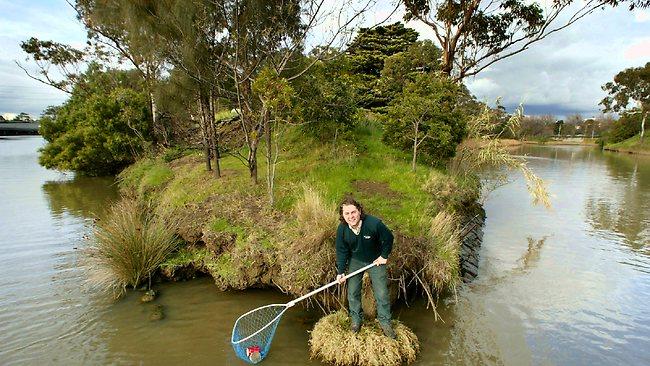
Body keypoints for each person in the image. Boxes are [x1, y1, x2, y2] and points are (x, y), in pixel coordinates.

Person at [335, 197, 395, 339]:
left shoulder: (374, 224)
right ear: (343, 216)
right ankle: (356, 320)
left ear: (359, 211)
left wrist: (384, 256)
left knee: (381, 293)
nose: (351, 216)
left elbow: (389, 238)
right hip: (356, 261)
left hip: (375, 261)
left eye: (353, 212)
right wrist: (341, 272)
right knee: (353, 291)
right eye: (347, 214)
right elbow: (341, 251)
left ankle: (385, 322)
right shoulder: (342, 229)